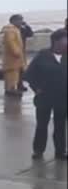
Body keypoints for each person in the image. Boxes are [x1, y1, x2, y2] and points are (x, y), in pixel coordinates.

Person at [25, 28, 67, 160]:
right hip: (45, 98)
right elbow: (29, 74)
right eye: (65, 39)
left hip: (63, 98)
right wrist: (36, 88)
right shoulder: (43, 55)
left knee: (60, 125)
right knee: (42, 125)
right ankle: (38, 150)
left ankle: (60, 151)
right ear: (56, 41)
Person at [1, 14, 26, 96]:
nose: (21, 22)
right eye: (20, 20)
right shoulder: (10, 30)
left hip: (13, 57)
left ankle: (10, 88)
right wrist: (17, 52)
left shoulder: (14, 29)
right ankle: (10, 89)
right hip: (12, 57)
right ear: (14, 20)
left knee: (14, 73)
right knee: (12, 73)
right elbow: (11, 42)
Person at [17, 21, 34, 91]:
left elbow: (30, 34)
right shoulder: (12, 30)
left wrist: (27, 26)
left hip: (22, 50)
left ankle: (20, 84)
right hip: (16, 51)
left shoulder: (22, 29)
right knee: (17, 70)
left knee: (21, 69)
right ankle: (17, 85)